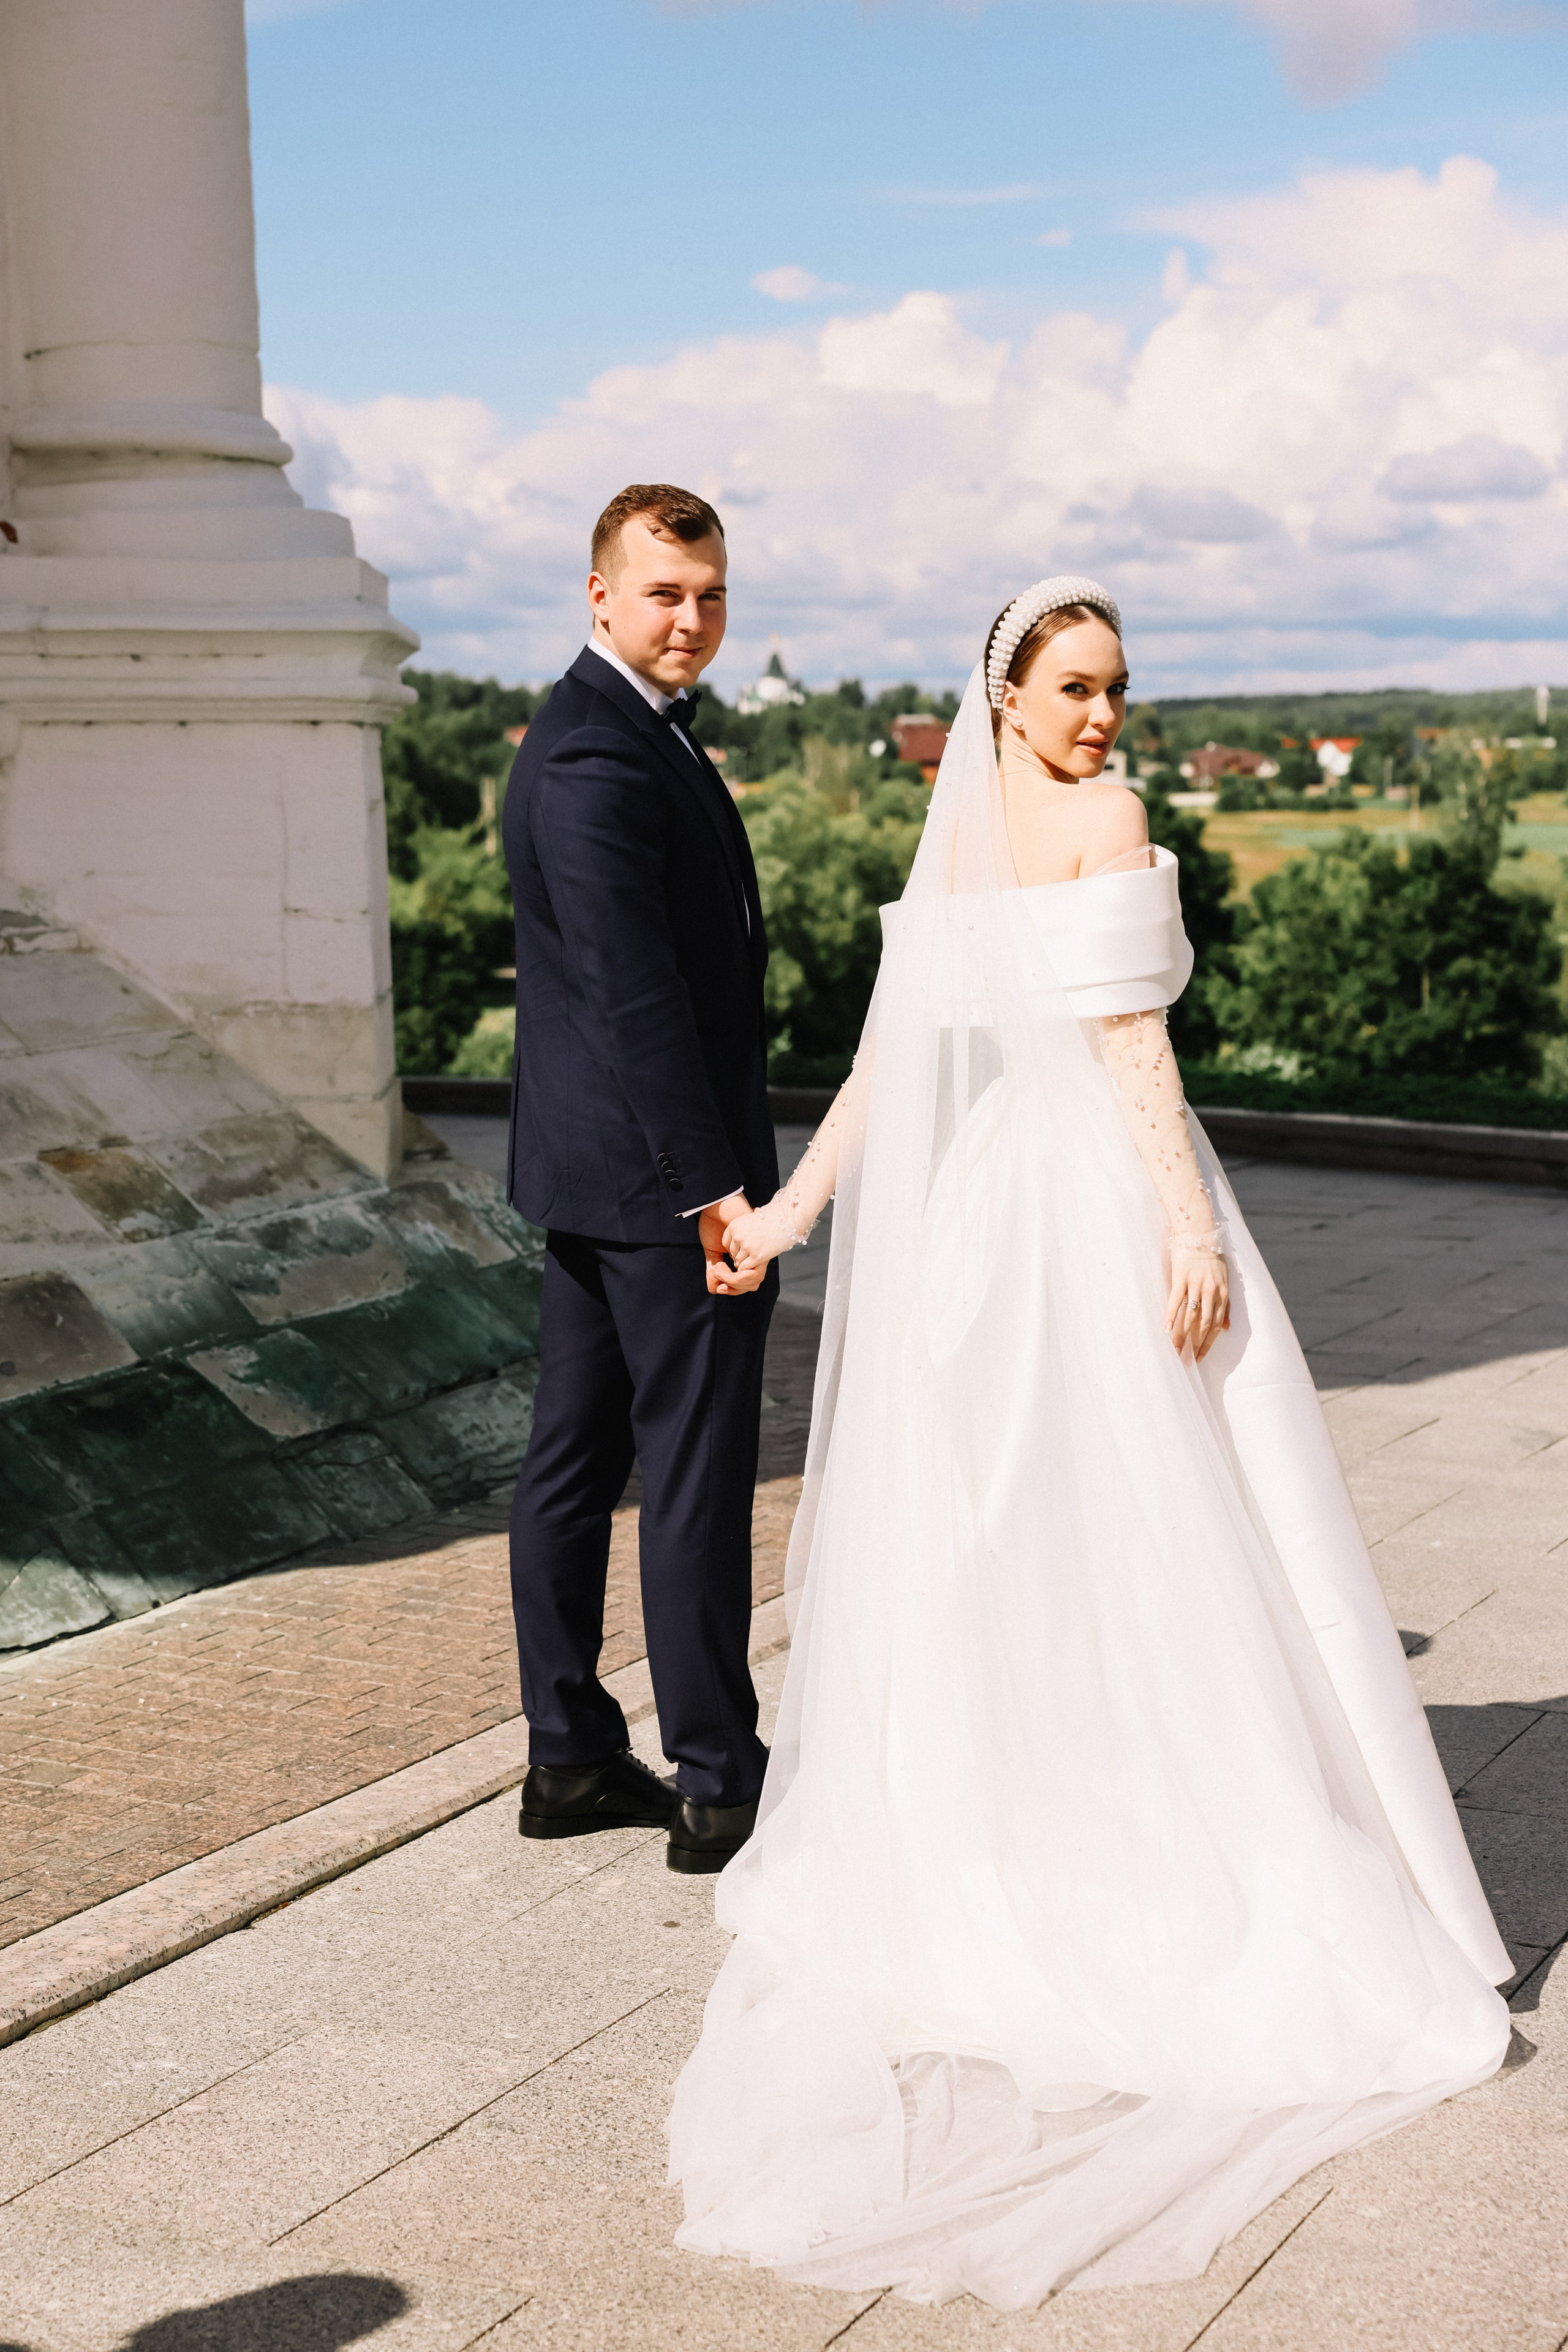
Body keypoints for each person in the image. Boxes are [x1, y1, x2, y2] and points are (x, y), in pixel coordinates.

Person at [666, 578, 1512, 2304]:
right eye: (1072, 687)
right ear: (1009, 696)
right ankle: (1156, 1841)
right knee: (1175, 1531)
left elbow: (894, 1058)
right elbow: (1125, 1048)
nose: (1103, 717)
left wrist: (788, 1216)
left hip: (984, 1232)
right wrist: (1183, 1231)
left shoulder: (962, 839)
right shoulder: (1105, 819)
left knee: (1027, 1540)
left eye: (1117, 687)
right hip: (1092, 1218)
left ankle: (1028, 1841)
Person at [502, 484, 778, 1874]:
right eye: (665, 592)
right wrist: (712, 1192)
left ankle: (567, 1762)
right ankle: (718, 1781)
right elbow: (635, 1001)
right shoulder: (597, 759)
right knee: (689, 1475)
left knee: (571, 1466)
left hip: (590, 1180)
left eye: (711, 593)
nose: (691, 618)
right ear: (599, 595)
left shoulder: (612, 731)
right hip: (661, 1192)